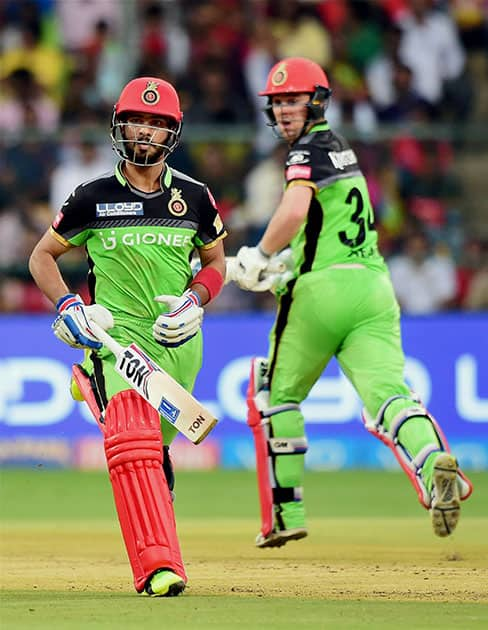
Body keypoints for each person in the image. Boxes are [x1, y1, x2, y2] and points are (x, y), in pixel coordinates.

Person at [233, 57, 473, 548]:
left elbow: (297, 210)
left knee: (273, 397)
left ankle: (287, 514)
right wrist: (283, 269)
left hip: (323, 294)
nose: (282, 111)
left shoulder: (305, 151)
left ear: (317, 101)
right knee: (389, 397)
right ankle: (435, 468)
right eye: (276, 103)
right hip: (373, 288)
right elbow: (328, 228)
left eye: (292, 100)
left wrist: (261, 254)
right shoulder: (343, 151)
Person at [29, 76, 227, 596]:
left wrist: (196, 301)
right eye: (137, 121)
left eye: (158, 124)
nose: (146, 132)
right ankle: (160, 567)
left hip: (180, 343)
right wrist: (70, 304)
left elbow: (215, 263)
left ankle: (89, 390)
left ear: (173, 132)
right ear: (119, 126)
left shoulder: (195, 197)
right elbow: (41, 256)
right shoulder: (91, 197)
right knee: (133, 444)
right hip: (120, 342)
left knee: (154, 458)